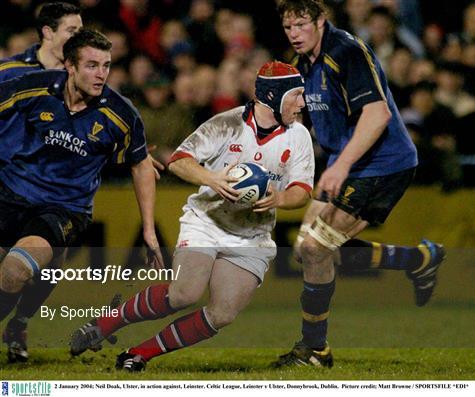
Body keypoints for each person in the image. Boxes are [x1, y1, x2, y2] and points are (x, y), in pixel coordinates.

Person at [69, 60, 315, 372]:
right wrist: (212, 179)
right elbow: (179, 160)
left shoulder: (299, 135)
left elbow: (302, 191)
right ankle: (103, 324)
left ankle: (139, 353)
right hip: (207, 222)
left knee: (222, 314)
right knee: (184, 293)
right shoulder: (226, 124)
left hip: (253, 236)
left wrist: (279, 197)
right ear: (273, 97)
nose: (303, 102)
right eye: (296, 94)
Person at [273, 0, 445, 368]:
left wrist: (340, 167)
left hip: (382, 164)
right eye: (289, 27)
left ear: (321, 21)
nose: (294, 34)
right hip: (347, 162)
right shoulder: (304, 60)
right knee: (306, 249)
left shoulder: (346, 51)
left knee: (318, 248)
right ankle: (419, 259)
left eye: (301, 25)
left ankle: (315, 350)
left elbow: (378, 113)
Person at [0, 29, 163, 363]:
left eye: (106, 65)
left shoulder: (121, 113)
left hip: (65, 209)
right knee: (47, 269)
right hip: (11, 192)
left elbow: (142, 165)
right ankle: (19, 323)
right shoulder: (35, 86)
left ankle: (17, 322)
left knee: (16, 270)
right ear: (69, 67)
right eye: (92, 65)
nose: (101, 73)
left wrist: (148, 229)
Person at [0, 2, 82, 363]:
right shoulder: (9, 72)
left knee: (50, 259)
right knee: (10, 268)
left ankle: (20, 322)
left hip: (57, 190)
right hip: (8, 184)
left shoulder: (80, 75)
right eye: (72, 31)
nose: (80, 38)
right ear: (48, 32)